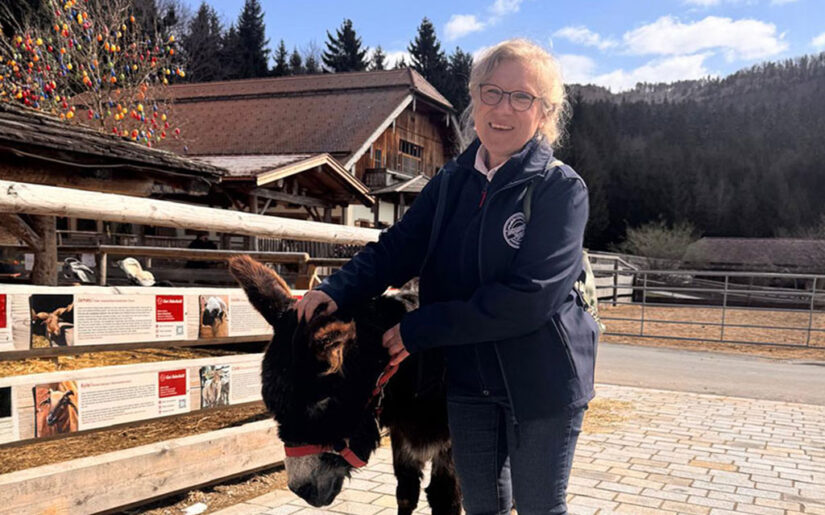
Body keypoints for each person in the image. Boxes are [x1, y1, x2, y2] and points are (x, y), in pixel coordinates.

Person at [295, 39, 598, 515]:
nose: (503, 108)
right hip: (467, 378)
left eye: (522, 97)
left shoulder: (560, 189)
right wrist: (336, 289)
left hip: (541, 381)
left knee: (539, 506)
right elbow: (398, 248)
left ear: (545, 113)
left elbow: (529, 299)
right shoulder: (451, 182)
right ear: (474, 99)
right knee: (481, 504)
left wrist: (420, 329)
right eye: (491, 92)